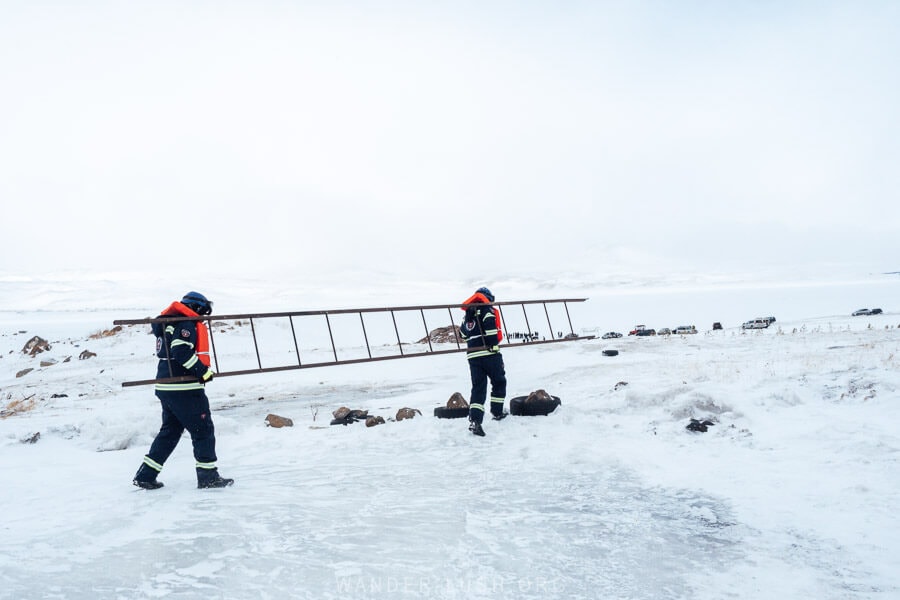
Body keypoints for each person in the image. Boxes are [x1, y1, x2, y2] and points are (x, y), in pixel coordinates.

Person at [132, 291, 234, 490]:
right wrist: (202, 371)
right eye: (203, 312)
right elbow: (181, 352)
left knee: (170, 432)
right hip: (184, 388)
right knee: (203, 431)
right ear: (195, 308)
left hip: (166, 386)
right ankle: (208, 477)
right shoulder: (185, 324)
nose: (203, 317)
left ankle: (146, 474)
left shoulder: (168, 323)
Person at [459, 286, 507, 437]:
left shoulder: (468, 314)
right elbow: (491, 329)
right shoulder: (487, 310)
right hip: (489, 353)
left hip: (473, 356)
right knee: (499, 382)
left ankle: (475, 420)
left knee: (478, 388)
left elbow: (462, 335)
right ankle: (497, 412)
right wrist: (493, 346)